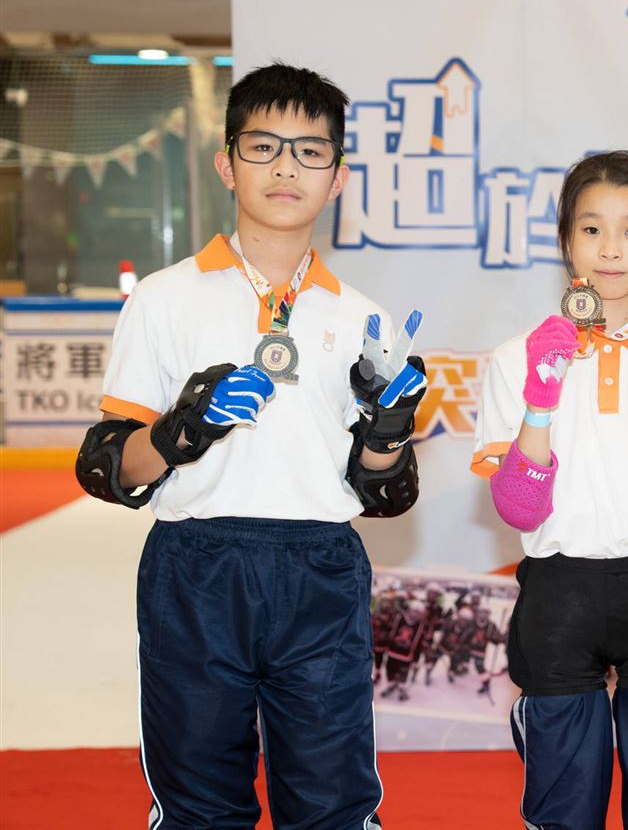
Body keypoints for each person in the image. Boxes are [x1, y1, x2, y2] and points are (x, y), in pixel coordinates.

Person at [74, 62, 429, 829]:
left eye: (310, 151)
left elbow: (383, 491)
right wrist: (180, 429)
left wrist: (389, 430)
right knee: (199, 806)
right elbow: (106, 465)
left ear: (338, 178)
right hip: (196, 571)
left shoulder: (364, 320)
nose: (286, 167)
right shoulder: (165, 298)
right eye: (264, 146)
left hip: (321, 571)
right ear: (226, 163)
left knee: (333, 806)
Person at [472, 150, 628, 830]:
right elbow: (519, 507)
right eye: (591, 229)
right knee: (564, 799)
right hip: (559, 592)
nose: (611, 249)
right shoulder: (518, 355)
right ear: (565, 240)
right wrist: (540, 398)